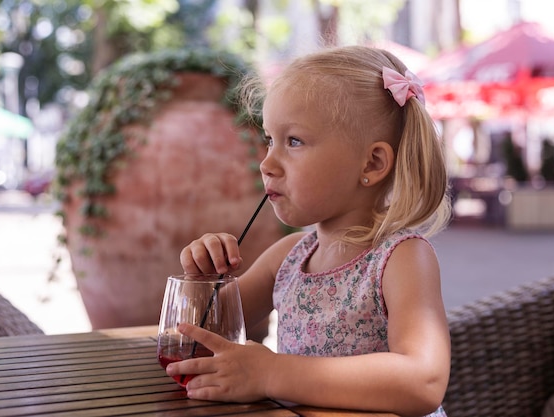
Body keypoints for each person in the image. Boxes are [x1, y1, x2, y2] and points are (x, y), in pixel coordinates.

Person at [168, 45, 452, 417]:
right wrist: (201, 282)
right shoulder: (288, 257)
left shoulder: (401, 258)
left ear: (372, 162)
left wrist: (272, 373)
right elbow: (205, 335)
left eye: (294, 142)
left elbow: (423, 381)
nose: (267, 163)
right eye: (270, 140)